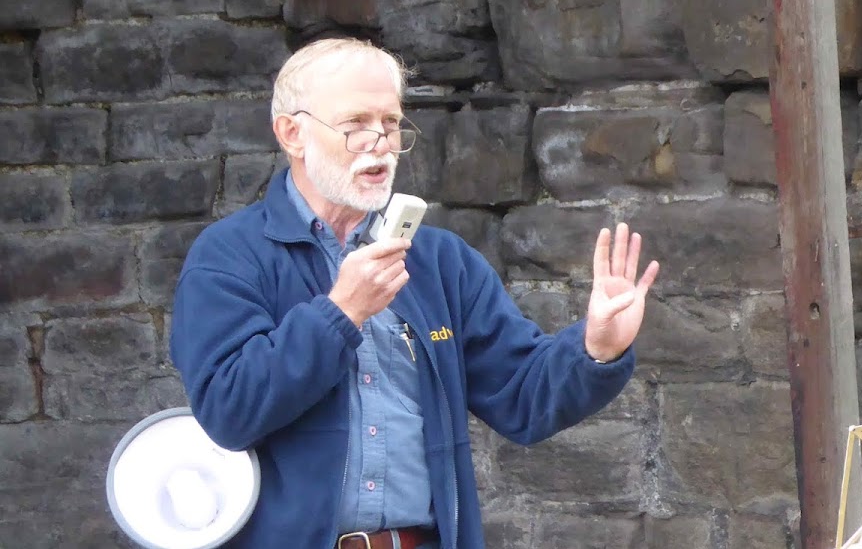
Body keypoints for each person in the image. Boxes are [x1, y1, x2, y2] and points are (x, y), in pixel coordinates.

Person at [169, 37, 660, 549]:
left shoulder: (439, 260)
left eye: (390, 123)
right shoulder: (228, 256)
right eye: (356, 124)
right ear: (293, 133)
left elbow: (522, 397)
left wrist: (597, 349)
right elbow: (229, 412)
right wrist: (340, 314)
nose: (380, 141)